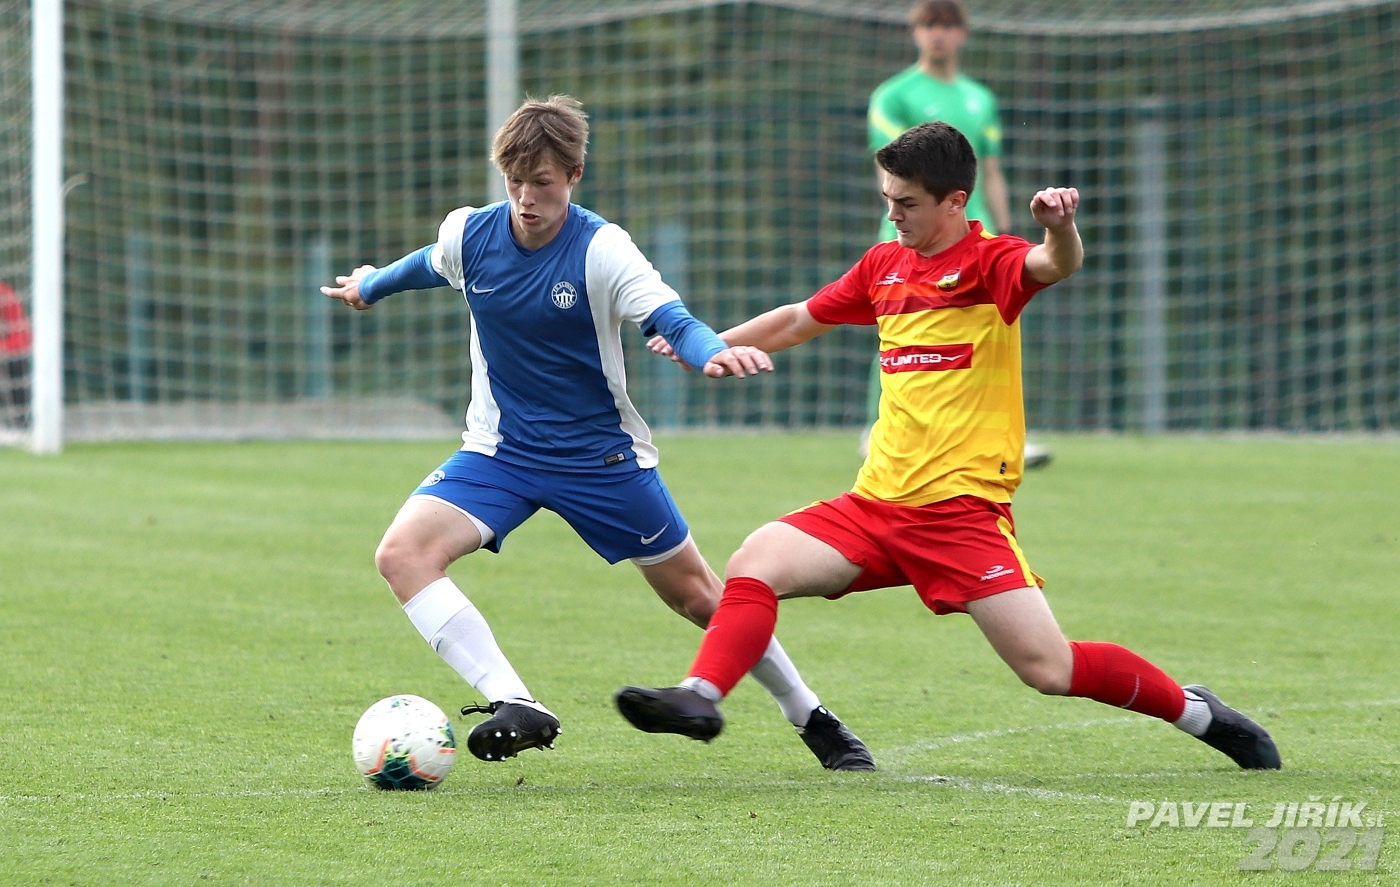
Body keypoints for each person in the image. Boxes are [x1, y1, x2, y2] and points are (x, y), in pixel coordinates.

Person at [615, 122, 1281, 773]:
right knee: (756, 561)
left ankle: (1197, 712)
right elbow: (797, 319)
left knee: (1050, 669)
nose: (893, 215)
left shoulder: (991, 264)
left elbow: (1056, 263)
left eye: (906, 203)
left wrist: (1059, 227)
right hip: (875, 507)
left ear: (955, 201)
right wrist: (708, 343)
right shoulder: (883, 265)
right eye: (887, 199)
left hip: (961, 515)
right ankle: (701, 695)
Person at [321, 95, 874, 771]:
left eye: (542, 182)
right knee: (402, 554)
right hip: (500, 453)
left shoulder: (603, 249)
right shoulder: (470, 234)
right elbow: (428, 263)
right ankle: (516, 702)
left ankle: (810, 715)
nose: (526, 199)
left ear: (574, 175)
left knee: (700, 596)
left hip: (601, 461)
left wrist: (710, 353)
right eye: (515, 181)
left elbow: (671, 319)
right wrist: (371, 285)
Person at [861, 0, 1050, 468]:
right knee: (898, 328)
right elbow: (889, 168)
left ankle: (1003, 432)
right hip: (917, 235)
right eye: (929, 25)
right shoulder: (894, 95)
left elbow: (991, 168)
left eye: (947, 25)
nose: (938, 34)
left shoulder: (979, 98)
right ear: (915, 33)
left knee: (995, 328)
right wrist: (902, 220)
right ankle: (878, 428)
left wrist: (1006, 230)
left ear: (963, 34)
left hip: (972, 234)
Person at [0, 282, 31, 430]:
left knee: (16, 364)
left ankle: (21, 421)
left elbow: (20, 335)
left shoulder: (5, 294)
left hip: (12, 351)